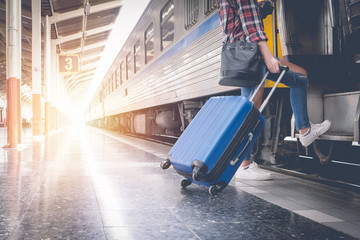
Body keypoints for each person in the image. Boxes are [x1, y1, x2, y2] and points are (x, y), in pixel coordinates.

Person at [217, 0, 331, 180]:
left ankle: (305, 130)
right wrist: (269, 57)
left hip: (242, 53)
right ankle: (244, 165)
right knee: (252, 110)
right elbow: (251, 25)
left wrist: (266, 5)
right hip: (250, 54)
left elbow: (243, 18)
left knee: (298, 78)